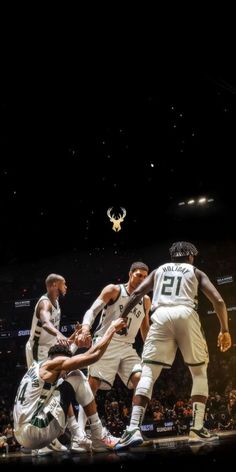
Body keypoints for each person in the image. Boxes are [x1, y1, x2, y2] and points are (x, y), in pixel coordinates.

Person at [114, 242, 232, 449]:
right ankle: (196, 429)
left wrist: (123, 318)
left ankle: (133, 429)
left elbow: (136, 294)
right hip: (186, 313)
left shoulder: (159, 271)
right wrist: (224, 329)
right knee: (199, 372)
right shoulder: (195, 271)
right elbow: (219, 301)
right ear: (191, 257)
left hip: (160, 316)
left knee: (149, 372)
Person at [13, 318, 127, 454]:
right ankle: (97, 436)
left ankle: (77, 435)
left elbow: (66, 354)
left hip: (20, 434)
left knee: (61, 385)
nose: (65, 370)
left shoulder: (38, 366)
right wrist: (112, 328)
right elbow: (94, 356)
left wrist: (73, 338)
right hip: (36, 432)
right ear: (60, 358)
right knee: (76, 375)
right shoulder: (54, 365)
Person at [76, 262, 151, 440]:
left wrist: (151, 348)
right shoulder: (114, 290)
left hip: (127, 347)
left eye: (145, 276)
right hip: (105, 342)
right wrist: (86, 328)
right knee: (92, 384)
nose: (142, 279)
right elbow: (92, 310)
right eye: (138, 275)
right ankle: (80, 434)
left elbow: (145, 328)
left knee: (142, 381)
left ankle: (133, 430)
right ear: (130, 274)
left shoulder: (146, 300)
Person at [25, 273, 83, 454]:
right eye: (64, 284)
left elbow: (55, 337)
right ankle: (38, 443)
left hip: (48, 349)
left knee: (57, 389)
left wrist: (72, 337)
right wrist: (60, 335)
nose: (66, 287)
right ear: (55, 284)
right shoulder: (45, 303)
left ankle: (53, 438)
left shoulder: (57, 304)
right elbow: (46, 322)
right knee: (42, 393)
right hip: (36, 351)